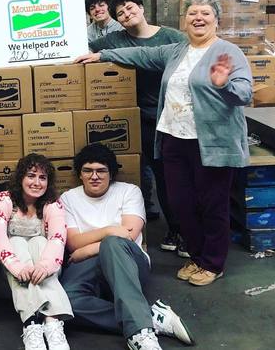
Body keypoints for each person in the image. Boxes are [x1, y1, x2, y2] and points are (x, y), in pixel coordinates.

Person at [76, 0, 252, 286]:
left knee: (212, 204)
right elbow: (141, 55)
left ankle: (213, 262)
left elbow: (245, 93)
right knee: (180, 202)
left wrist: (223, 85)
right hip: (173, 138)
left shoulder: (227, 52)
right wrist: (103, 55)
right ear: (184, 21)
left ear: (216, 21)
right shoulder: (178, 50)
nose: (198, 18)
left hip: (210, 142)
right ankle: (197, 256)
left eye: (205, 14)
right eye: (193, 13)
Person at [60, 143, 194, 350]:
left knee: (114, 245)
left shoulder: (129, 191)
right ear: (80, 174)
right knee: (62, 304)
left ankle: (139, 334)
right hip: (88, 267)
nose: (94, 176)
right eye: (87, 170)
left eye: (101, 171)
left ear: (111, 173)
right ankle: (150, 317)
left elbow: (127, 235)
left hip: (127, 261)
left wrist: (87, 249)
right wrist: (108, 231)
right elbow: (73, 242)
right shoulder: (68, 198)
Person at [90, 0, 188, 257]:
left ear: (142, 8)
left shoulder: (171, 37)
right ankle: (159, 231)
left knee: (171, 177)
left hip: (171, 118)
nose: (126, 15)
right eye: (120, 13)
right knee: (144, 177)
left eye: (130, 8)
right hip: (135, 118)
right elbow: (88, 46)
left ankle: (183, 230)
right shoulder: (115, 39)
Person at [0, 154, 72, 350]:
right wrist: (18, 267)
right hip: (9, 275)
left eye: (42, 178)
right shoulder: (3, 200)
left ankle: (52, 324)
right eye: (31, 176)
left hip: (45, 273)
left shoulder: (53, 204)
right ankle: (31, 325)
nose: (37, 182)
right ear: (20, 178)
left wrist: (44, 266)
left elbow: (58, 239)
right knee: (16, 241)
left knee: (40, 241)